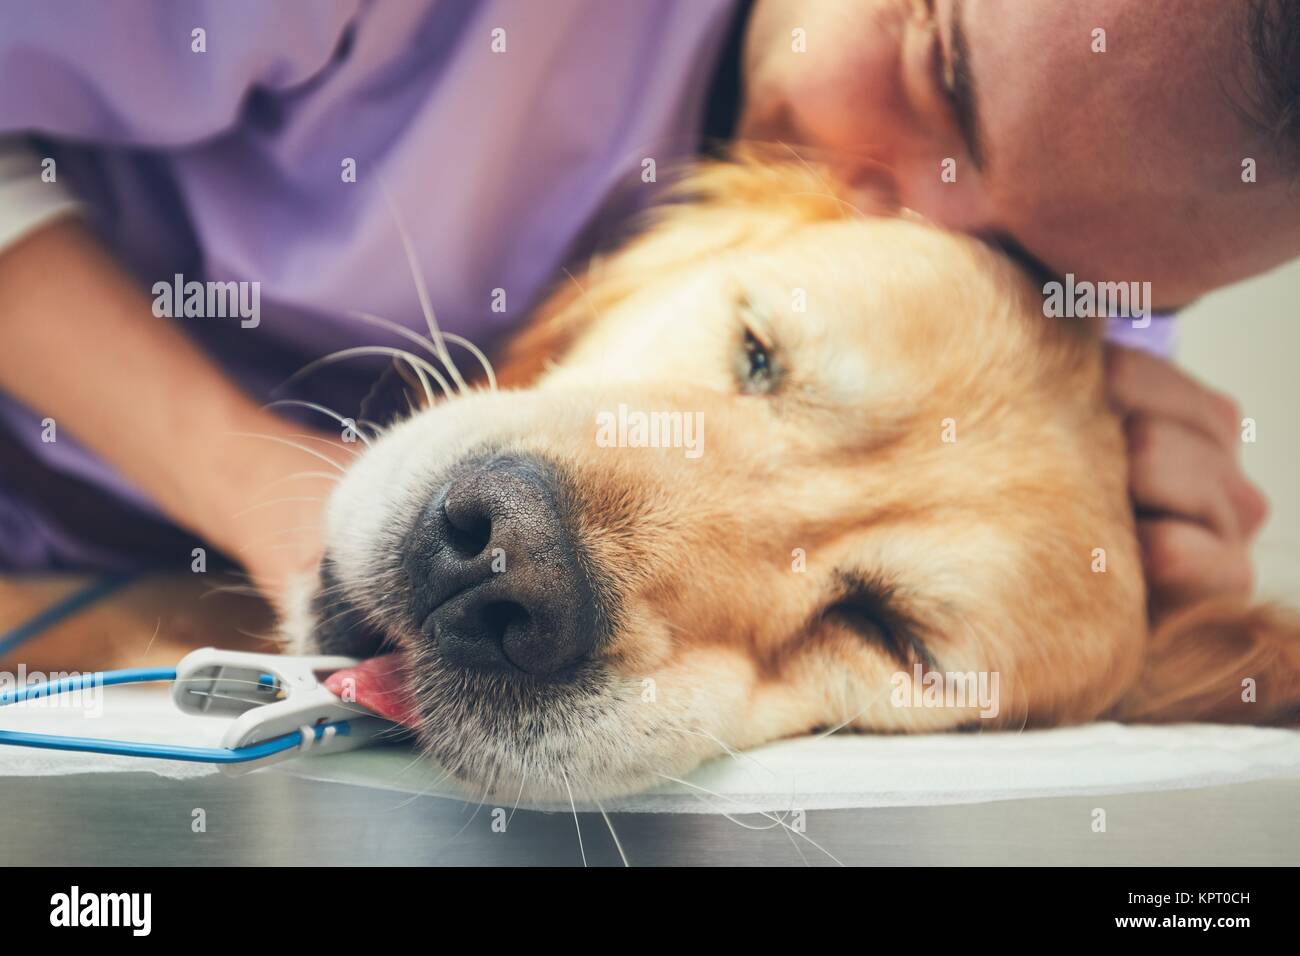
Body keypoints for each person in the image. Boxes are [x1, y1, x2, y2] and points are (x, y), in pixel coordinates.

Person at [0, 0, 1288, 626]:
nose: (903, 238)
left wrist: (1137, 601)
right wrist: (261, 493)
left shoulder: (1063, 304)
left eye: (1040, 270)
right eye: (937, 71)